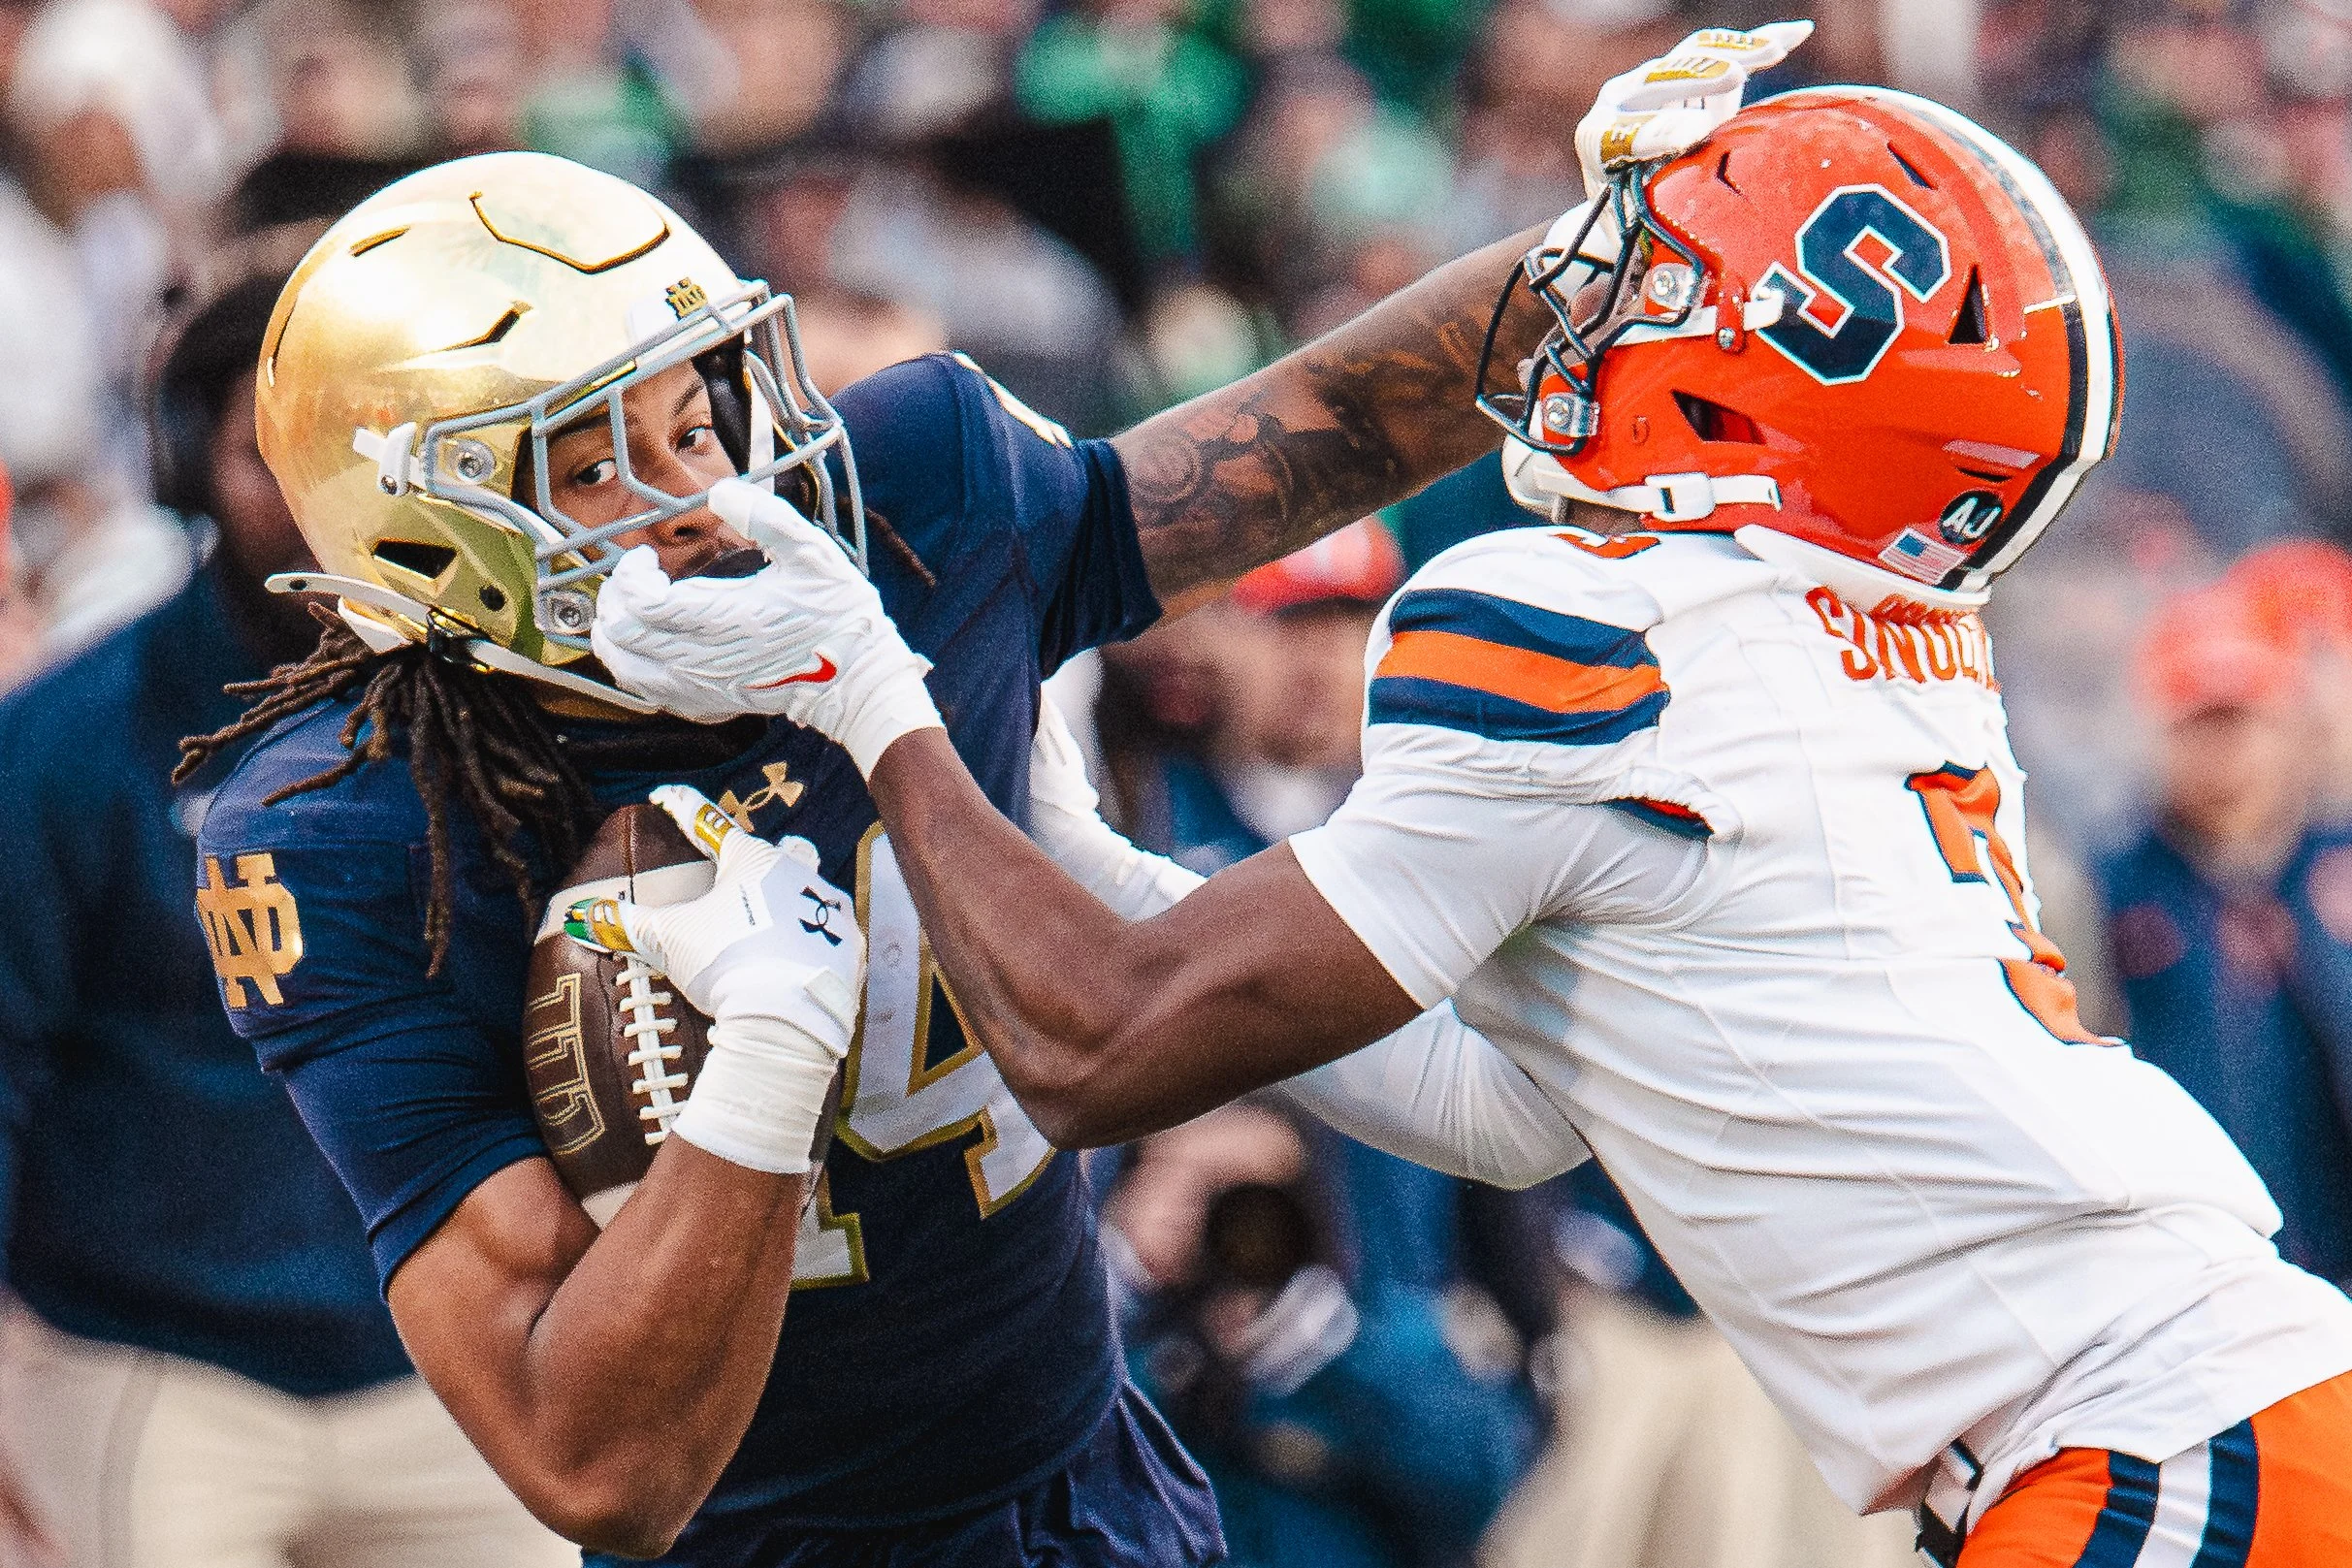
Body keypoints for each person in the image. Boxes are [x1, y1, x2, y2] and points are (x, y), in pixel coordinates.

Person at [588, 37, 2352, 1567]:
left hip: (2148, 1442)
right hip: (2199, 1405)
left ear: (1771, 380)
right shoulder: (1874, 638)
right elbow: (1516, 1107)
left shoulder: (1591, 631)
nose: (1602, 309)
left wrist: (870, 693)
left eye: (1664, 287)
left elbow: (1092, 1048)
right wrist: (1091, 853)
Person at [181, 146, 1563, 1566]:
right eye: (594, 467)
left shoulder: (906, 500)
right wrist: (771, 1055)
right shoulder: (343, 839)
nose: (702, 497)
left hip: (1089, 1496)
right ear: (425, 539)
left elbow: (1329, 419)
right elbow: (595, 1468)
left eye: (692, 420)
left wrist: (1617, 264)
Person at [0, 276, 572, 1568]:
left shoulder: (521, 709)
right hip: (155, 1360)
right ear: (191, 464)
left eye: (360, 441)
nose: (324, 487)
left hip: (451, 1347)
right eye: (275, 443)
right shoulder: (63, 744)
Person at [2093, 581, 2352, 1292]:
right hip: (2198, 1275)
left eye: (2238, 717)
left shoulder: (2333, 868)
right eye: (2198, 721)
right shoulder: (2114, 886)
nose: (2223, 746)